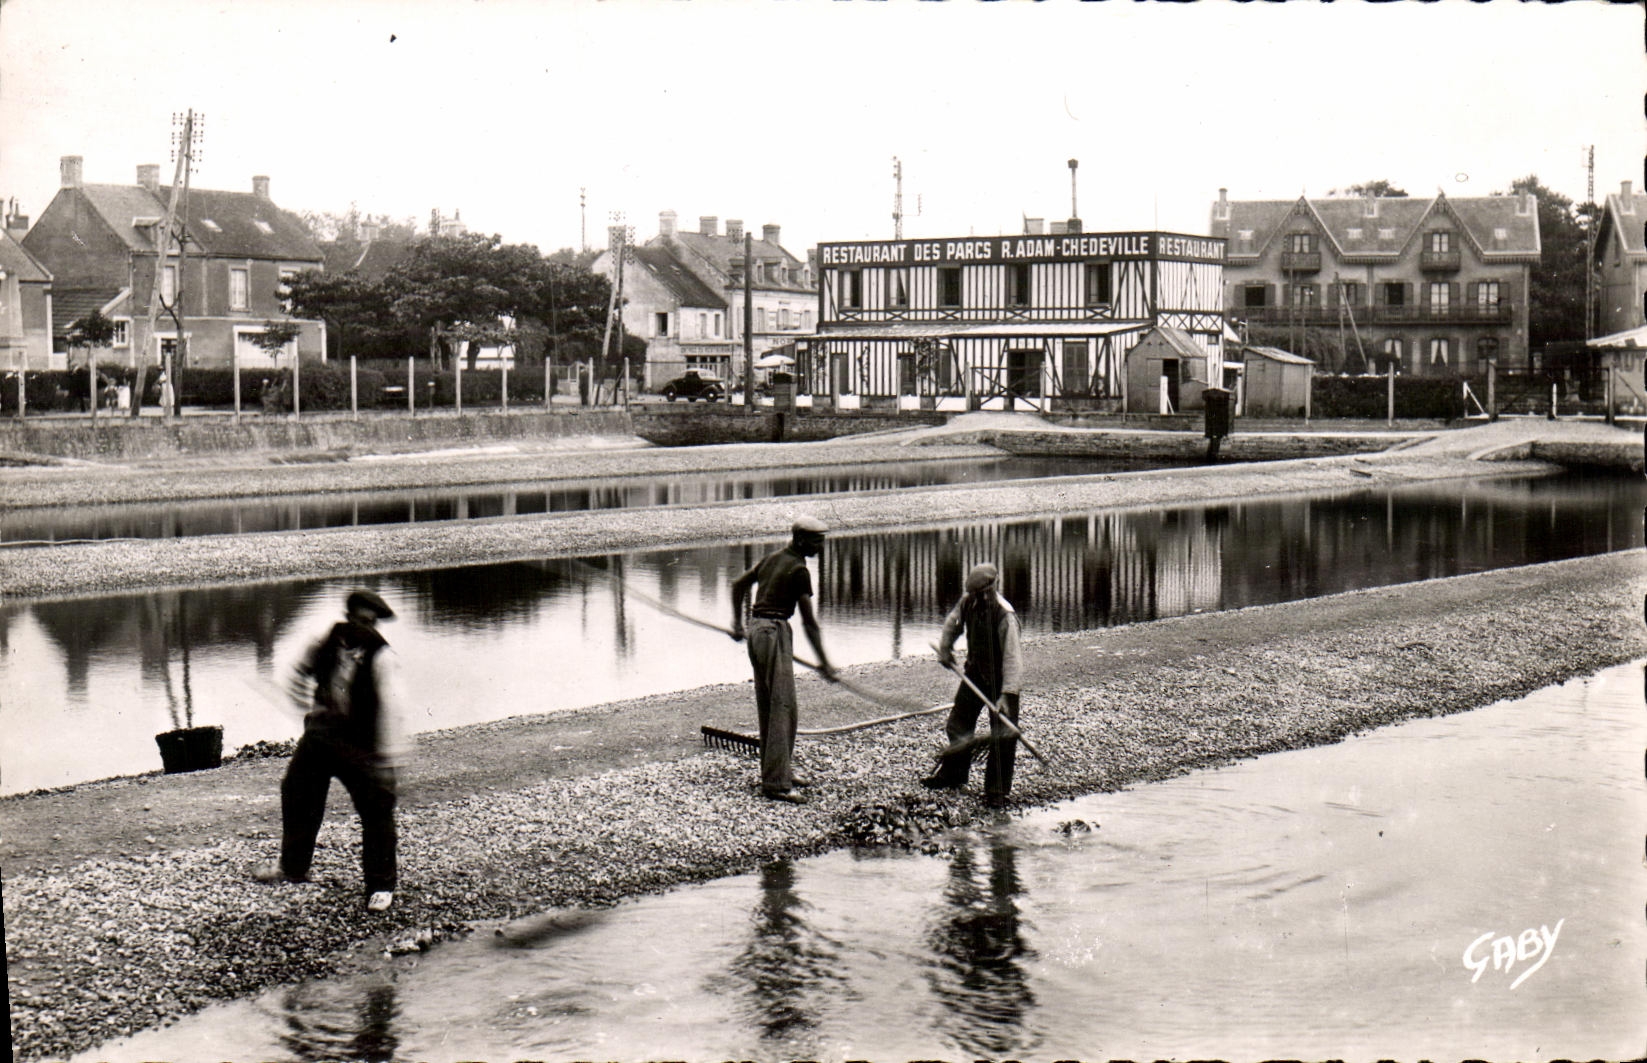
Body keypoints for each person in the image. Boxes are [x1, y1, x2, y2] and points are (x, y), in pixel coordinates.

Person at [254, 589, 409, 911]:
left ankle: (381, 885)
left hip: (362, 745)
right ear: (349, 616)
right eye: (358, 618)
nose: (363, 625)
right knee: (297, 793)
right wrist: (300, 695)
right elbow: (300, 670)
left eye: (370, 621)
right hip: (322, 737)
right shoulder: (329, 639)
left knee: (376, 810)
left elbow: (393, 709)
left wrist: (389, 758)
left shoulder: (382, 657)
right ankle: (293, 868)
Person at [730, 516, 836, 804]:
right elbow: (810, 623)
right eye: (817, 541)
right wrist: (825, 662)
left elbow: (738, 585)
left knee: (775, 704)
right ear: (800, 539)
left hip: (758, 630)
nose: (821, 546)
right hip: (773, 631)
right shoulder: (799, 570)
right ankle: (776, 784)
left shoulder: (772, 558)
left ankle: (779, 770)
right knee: (781, 705)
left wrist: (739, 624)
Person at [922, 563, 1023, 808]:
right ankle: (954, 775)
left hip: (1002, 682)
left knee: (1003, 735)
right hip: (975, 673)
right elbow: (953, 623)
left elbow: (1013, 659)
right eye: (977, 594)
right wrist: (946, 649)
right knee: (958, 723)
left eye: (985, 593)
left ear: (993, 587)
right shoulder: (968, 601)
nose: (981, 597)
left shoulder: (1005, 615)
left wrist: (1006, 695)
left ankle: (996, 791)